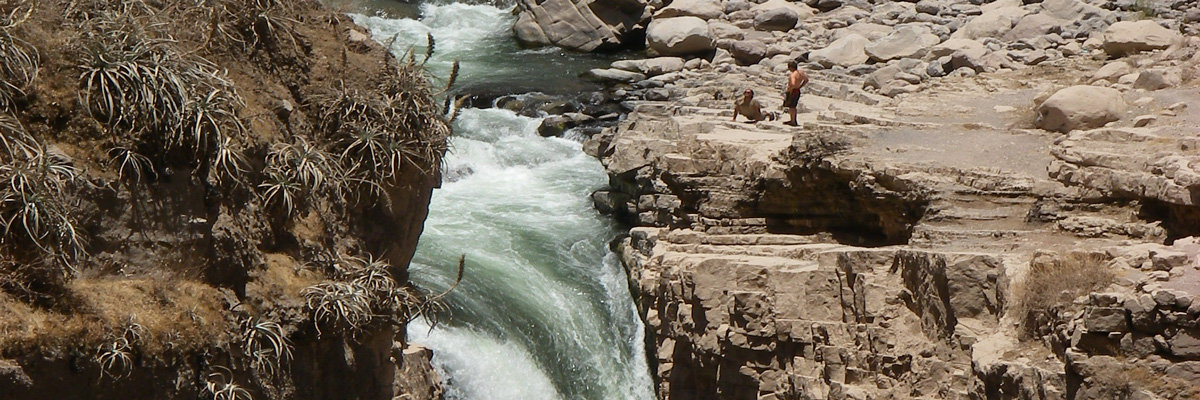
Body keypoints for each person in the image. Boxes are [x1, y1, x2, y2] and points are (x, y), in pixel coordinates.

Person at [783, 61, 808, 126]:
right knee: (793, 106)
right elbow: (806, 79)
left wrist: (788, 90)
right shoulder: (800, 73)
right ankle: (793, 120)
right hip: (797, 90)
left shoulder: (793, 75)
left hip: (793, 91)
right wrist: (800, 86)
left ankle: (793, 121)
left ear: (791, 67)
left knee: (791, 107)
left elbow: (793, 84)